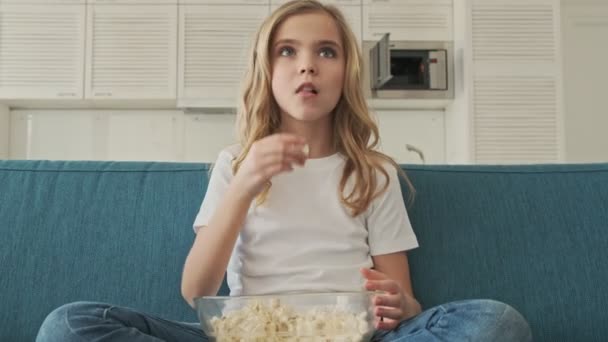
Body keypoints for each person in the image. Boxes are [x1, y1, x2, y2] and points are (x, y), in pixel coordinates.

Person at [36, 1, 533, 341]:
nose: (307, 65)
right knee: (69, 326)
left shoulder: (373, 174)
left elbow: (402, 303)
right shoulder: (235, 164)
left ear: (346, 74)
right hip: (248, 331)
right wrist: (248, 182)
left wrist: (399, 306)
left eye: (326, 51)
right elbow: (196, 292)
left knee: (496, 322)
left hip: (348, 335)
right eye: (287, 50)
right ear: (267, 72)